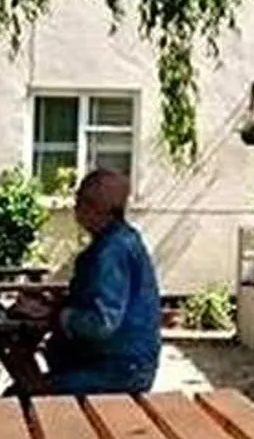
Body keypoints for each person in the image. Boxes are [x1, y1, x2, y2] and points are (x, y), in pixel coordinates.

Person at [34, 168, 162, 394]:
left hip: (119, 371)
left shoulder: (111, 251)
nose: (75, 208)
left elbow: (101, 323)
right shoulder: (121, 240)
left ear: (95, 207)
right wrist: (60, 303)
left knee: (25, 395)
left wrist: (57, 315)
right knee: (33, 384)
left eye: (79, 201)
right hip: (122, 365)